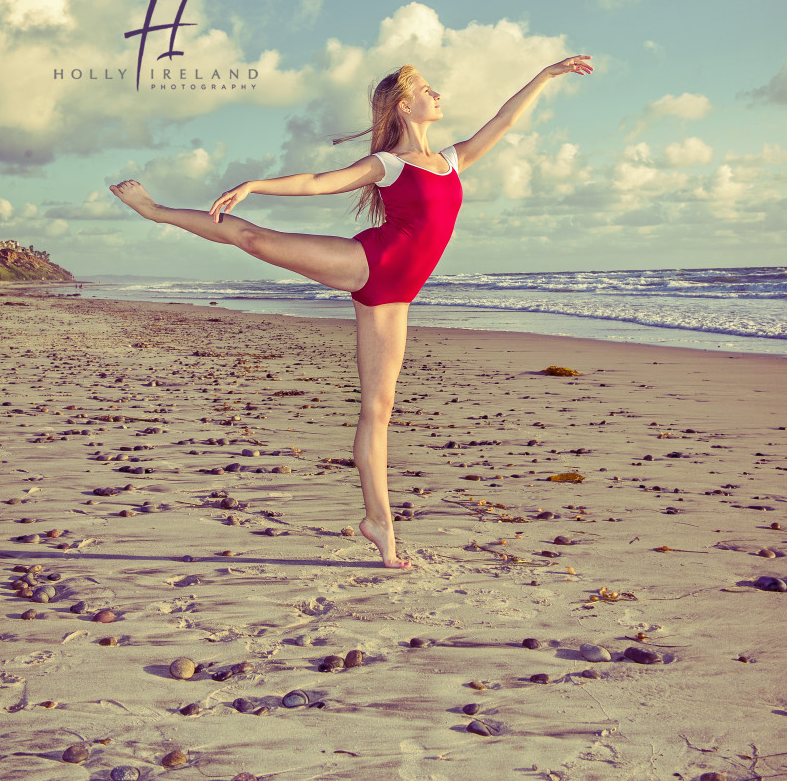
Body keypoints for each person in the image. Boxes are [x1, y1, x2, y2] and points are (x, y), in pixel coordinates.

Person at [110, 54, 592, 569]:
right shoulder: (388, 165)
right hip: (367, 263)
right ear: (406, 107)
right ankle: (155, 211)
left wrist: (544, 75)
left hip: (396, 298)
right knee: (253, 236)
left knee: (377, 411)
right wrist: (257, 184)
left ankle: (378, 524)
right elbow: (320, 181)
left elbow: (504, 119)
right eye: (429, 90)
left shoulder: (454, 159)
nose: (438, 95)